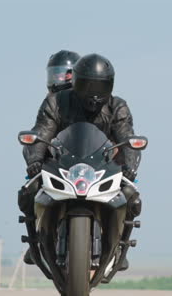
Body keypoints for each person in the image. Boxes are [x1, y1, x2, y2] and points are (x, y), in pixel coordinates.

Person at [19, 53, 143, 271]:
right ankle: (37, 240)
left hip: (104, 167)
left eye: (100, 86)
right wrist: (36, 159)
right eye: (88, 85)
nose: (93, 93)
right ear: (77, 81)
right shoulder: (56, 102)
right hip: (62, 165)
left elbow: (127, 137)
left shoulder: (118, 107)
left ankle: (119, 247)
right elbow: (42, 131)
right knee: (29, 191)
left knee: (132, 198)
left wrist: (129, 167)